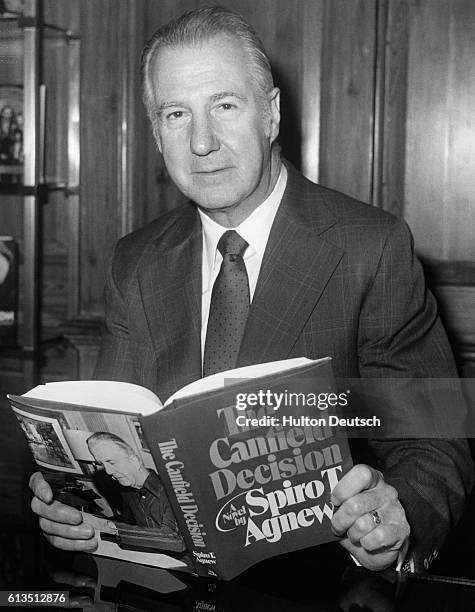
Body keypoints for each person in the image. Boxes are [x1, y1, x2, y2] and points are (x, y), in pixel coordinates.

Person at [30, 6, 472, 572]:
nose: (202, 142)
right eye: (175, 114)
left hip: (317, 582)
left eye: (225, 105)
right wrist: (74, 504)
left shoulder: (371, 248)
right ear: (157, 135)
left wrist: (395, 514)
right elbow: (114, 435)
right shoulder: (135, 262)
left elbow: (433, 445)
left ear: (271, 115)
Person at [85, 432, 184, 552]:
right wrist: (93, 524)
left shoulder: (173, 490)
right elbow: (128, 522)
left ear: (134, 460)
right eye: (102, 464)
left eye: (111, 462)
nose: (108, 471)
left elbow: (175, 541)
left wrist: (106, 526)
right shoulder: (127, 490)